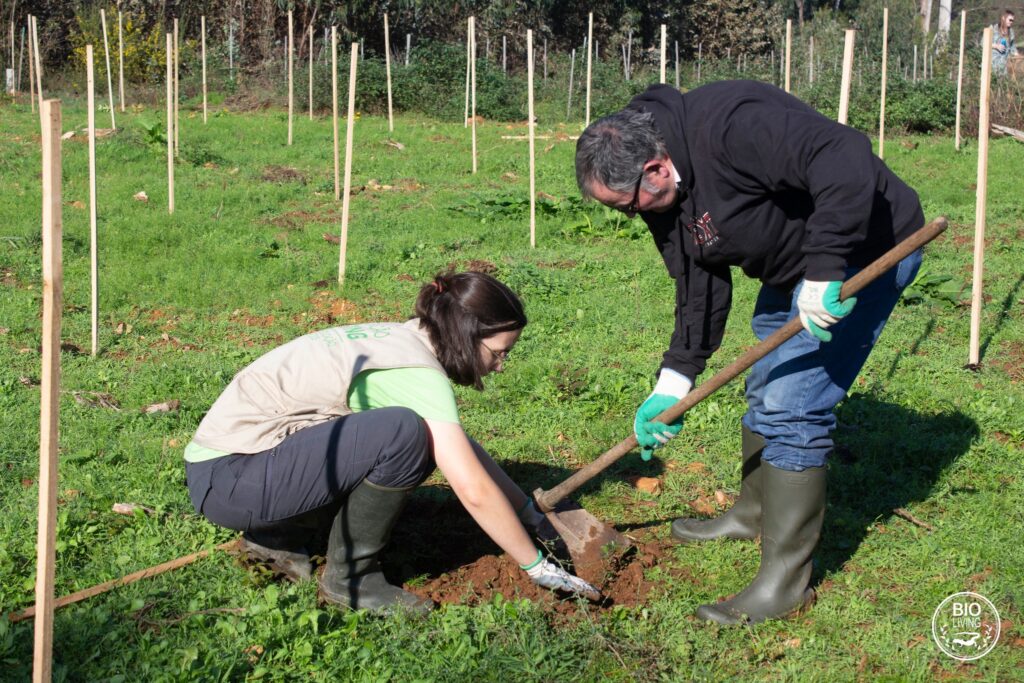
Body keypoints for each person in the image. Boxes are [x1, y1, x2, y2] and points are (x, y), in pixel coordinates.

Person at [574, 81, 925, 624]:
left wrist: (827, 268)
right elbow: (697, 277)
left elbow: (843, 152)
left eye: (628, 206)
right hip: (793, 270)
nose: (630, 216)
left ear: (656, 168)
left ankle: (783, 585)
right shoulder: (663, 192)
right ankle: (753, 511)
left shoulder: (732, 127)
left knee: (792, 406)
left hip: (866, 252)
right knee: (764, 388)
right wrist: (673, 381)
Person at [183, 271, 597, 614]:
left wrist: (527, 511)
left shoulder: (404, 339)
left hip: (232, 469)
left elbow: (459, 447)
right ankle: (353, 581)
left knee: (414, 432)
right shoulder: (416, 372)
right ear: (467, 335)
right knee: (404, 434)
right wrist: (535, 565)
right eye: (499, 352)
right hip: (233, 478)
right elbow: (471, 489)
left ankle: (279, 536)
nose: (501, 366)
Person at [992, 9, 1017, 76]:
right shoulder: (993, 29)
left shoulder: (1011, 32)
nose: (1011, 22)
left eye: (1012, 20)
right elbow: (983, 43)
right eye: (1010, 20)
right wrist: (996, 46)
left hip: (1005, 65)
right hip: (992, 64)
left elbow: (1012, 47)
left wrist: (1017, 55)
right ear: (1003, 18)